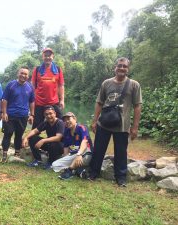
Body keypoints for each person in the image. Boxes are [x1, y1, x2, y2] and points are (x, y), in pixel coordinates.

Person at [88, 57, 142, 187]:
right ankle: (93, 173)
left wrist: (135, 127)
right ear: (115, 67)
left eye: (124, 66)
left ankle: (121, 177)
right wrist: (95, 121)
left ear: (128, 69)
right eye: (119, 66)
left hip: (122, 125)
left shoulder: (134, 85)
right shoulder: (106, 83)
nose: (122, 68)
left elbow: (137, 106)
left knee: (121, 152)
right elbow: (99, 102)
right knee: (99, 149)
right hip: (104, 122)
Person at [1, 66, 35, 162]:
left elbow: (32, 101)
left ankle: (17, 153)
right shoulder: (11, 85)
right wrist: (4, 113)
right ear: (18, 74)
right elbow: (4, 99)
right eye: (22, 73)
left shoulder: (30, 87)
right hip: (10, 115)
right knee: (8, 133)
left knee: (19, 135)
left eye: (25, 74)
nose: (23, 75)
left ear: (28, 76)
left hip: (23, 115)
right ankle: (4, 154)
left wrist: (32, 115)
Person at [52, 112, 93, 180]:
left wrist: (79, 154)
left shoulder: (82, 128)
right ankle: (77, 170)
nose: (66, 121)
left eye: (68, 119)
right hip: (74, 155)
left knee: (85, 149)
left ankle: (70, 171)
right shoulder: (67, 131)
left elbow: (85, 141)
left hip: (85, 154)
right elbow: (66, 147)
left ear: (75, 119)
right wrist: (65, 158)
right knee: (54, 165)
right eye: (65, 120)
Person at [31, 48, 65, 128]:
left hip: (54, 102)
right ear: (43, 57)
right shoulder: (37, 69)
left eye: (49, 55)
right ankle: (33, 140)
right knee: (36, 125)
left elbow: (61, 85)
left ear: (53, 57)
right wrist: (31, 102)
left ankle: (58, 139)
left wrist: (62, 100)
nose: (47, 57)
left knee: (60, 123)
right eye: (45, 56)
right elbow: (32, 86)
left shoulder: (58, 70)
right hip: (39, 103)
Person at [22, 105, 65, 169]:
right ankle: (38, 160)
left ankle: (51, 162)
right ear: (44, 116)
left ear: (55, 114)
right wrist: (26, 138)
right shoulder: (46, 123)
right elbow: (34, 131)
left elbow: (58, 138)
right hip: (49, 145)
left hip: (59, 146)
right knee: (32, 138)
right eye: (46, 114)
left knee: (54, 143)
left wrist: (43, 140)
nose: (49, 116)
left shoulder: (60, 122)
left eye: (50, 113)